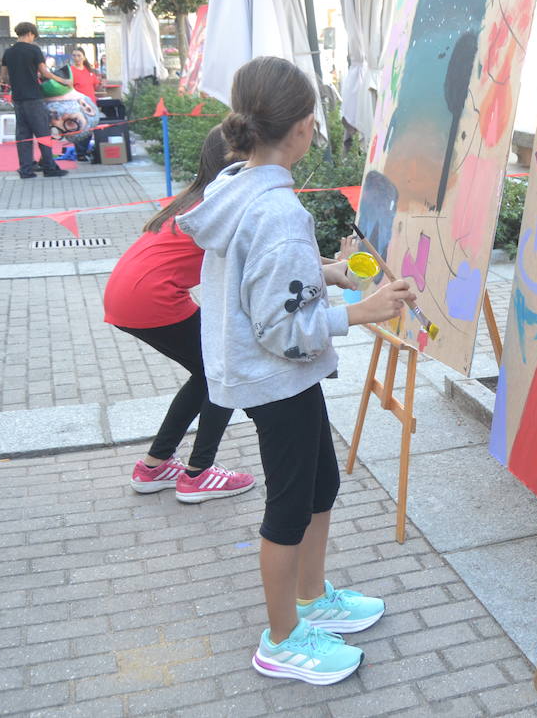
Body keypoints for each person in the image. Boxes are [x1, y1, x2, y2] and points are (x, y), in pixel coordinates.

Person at [178, 56, 412, 686]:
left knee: (320, 486)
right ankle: (281, 638)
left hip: (271, 374)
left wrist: (328, 274)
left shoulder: (239, 183)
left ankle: (311, 600)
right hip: (273, 376)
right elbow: (282, 329)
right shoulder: (277, 211)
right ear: (306, 127)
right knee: (289, 506)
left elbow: (273, 286)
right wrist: (359, 311)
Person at [105, 127, 257, 503]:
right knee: (223, 369)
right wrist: (335, 267)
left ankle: (155, 465)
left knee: (208, 372)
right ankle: (199, 474)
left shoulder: (198, 196)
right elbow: (269, 259)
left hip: (127, 294)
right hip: (152, 297)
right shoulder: (224, 205)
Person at [1, 21, 69, 179]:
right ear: (30, 33)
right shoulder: (34, 50)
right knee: (42, 133)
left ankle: (26, 170)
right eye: (33, 36)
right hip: (34, 97)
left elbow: (3, 77)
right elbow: (45, 73)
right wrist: (63, 81)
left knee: (23, 135)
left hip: (17, 98)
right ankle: (49, 167)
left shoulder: (8, 52)